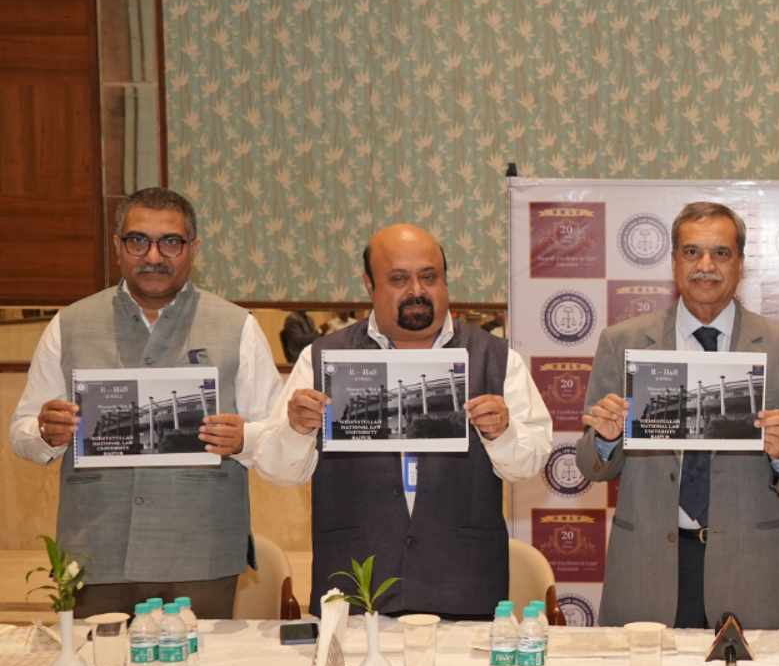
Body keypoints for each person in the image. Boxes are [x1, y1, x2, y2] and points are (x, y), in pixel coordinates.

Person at [8, 188, 284, 618]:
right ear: (118, 246)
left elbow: (278, 435)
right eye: (138, 240)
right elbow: (22, 430)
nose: (153, 256)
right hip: (96, 553)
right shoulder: (69, 324)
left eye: (170, 242)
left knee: (203, 662)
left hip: (201, 554)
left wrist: (243, 438)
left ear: (193, 249)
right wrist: (45, 433)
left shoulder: (238, 327)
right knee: (97, 661)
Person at [254, 224, 553, 620]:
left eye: (429, 277)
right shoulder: (322, 358)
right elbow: (276, 471)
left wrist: (503, 433)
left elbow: (531, 463)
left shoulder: (496, 358)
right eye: (398, 279)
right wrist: (297, 429)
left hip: (464, 586)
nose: (417, 290)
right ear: (369, 284)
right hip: (356, 587)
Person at [577, 202, 779, 630]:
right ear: (674, 261)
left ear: (741, 263)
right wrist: (605, 439)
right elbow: (592, 468)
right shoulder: (623, 343)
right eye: (692, 252)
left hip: (750, 572)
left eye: (721, 253)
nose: (706, 265)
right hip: (646, 570)